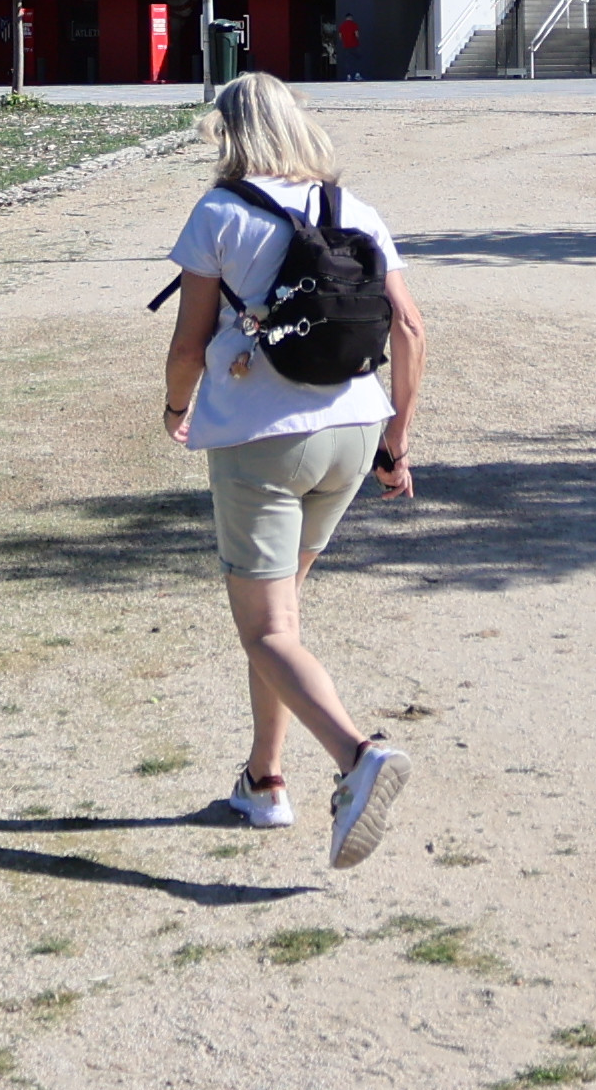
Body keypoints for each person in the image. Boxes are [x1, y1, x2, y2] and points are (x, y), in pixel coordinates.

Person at [161, 71, 425, 868]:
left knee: (268, 628)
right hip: (353, 429)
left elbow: (187, 344)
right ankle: (264, 782)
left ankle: (357, 756)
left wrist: (176, 410)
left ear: (229, 134)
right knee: (282, 622)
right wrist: (397, 442)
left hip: (264, 441)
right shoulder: (359, 212)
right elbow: (411, 329)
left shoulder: (219, 213)